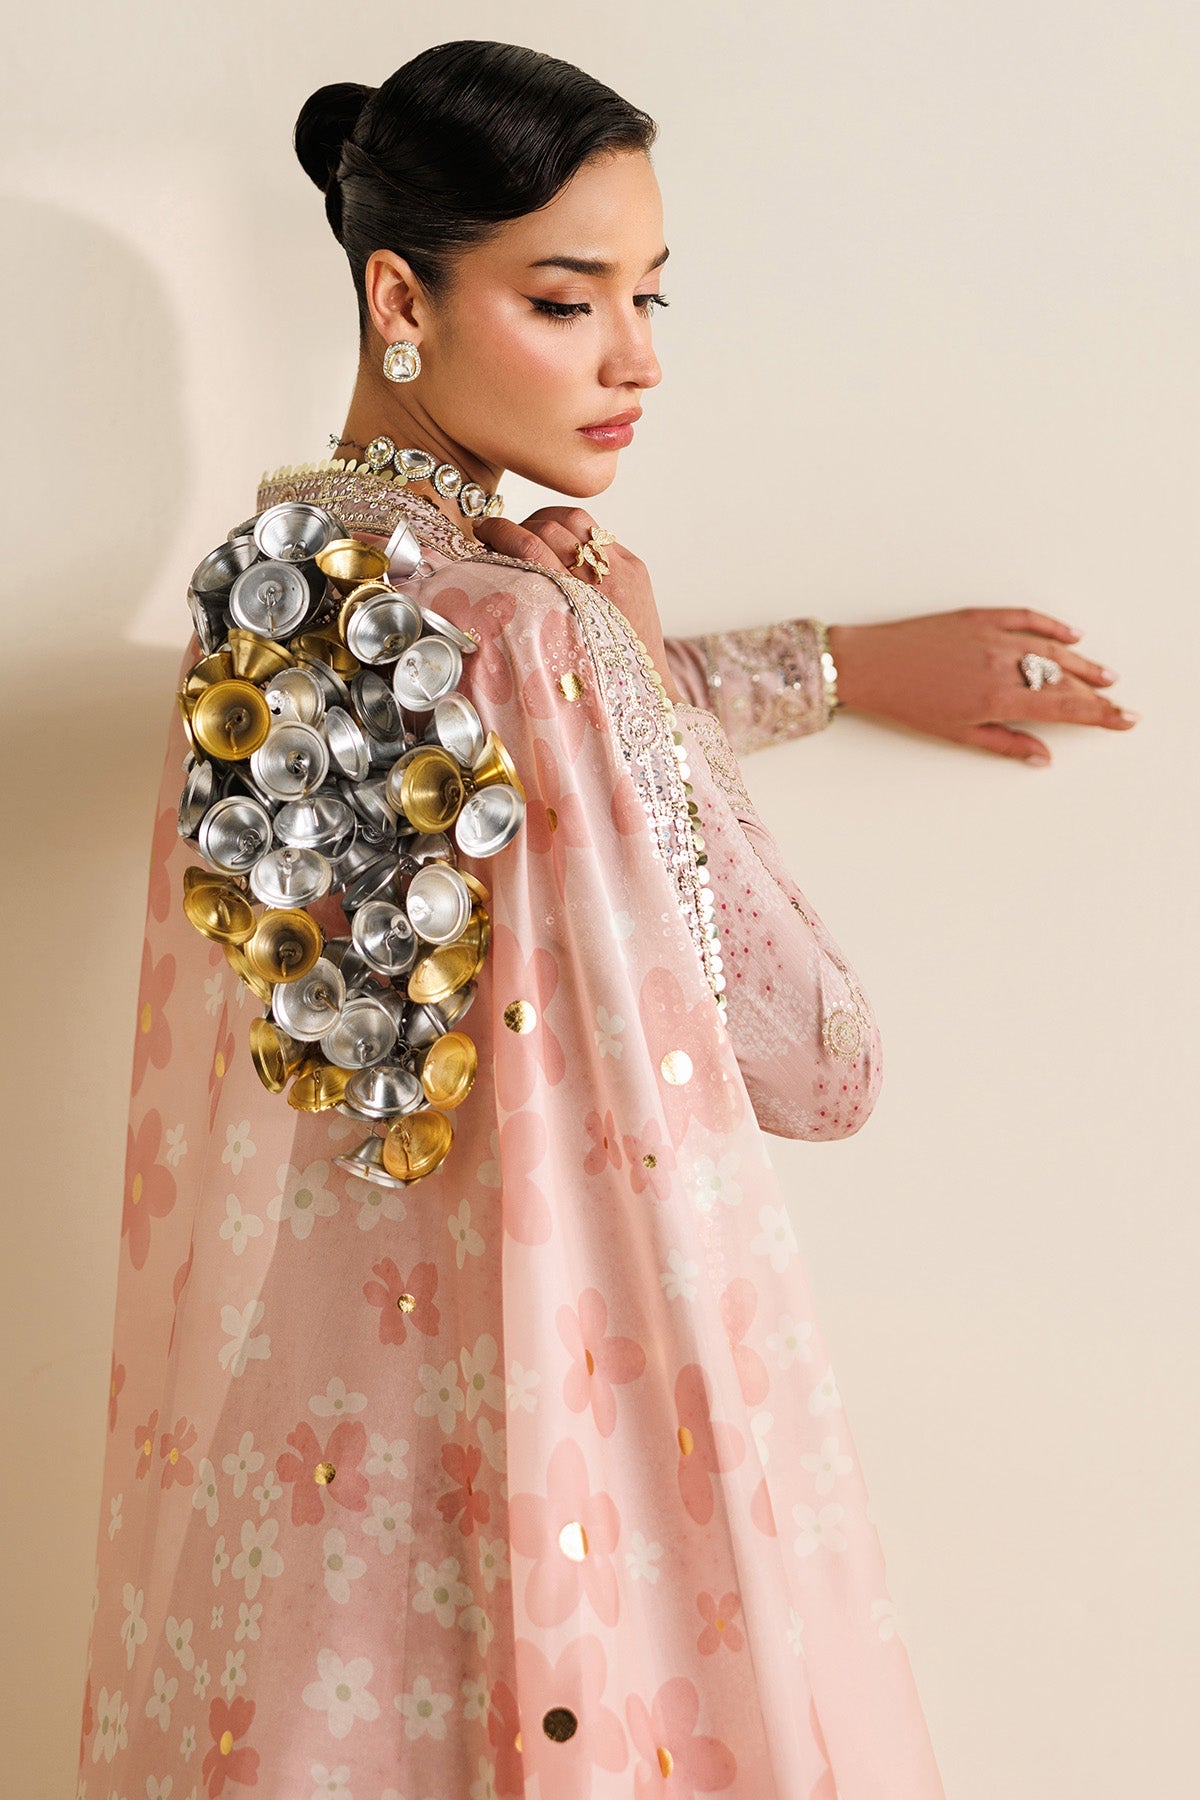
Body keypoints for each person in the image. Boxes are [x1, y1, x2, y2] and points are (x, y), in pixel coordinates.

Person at [79, 37, 1079, 1798]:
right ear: (402, 297)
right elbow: (823, 1058)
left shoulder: (274, 595)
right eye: (566, 301)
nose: (637, 360)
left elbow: (508, 776)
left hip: (330, 1454)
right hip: (574, 1434)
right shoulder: (540, 626)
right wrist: (629, 654)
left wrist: (821, 663)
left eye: (647, 294)